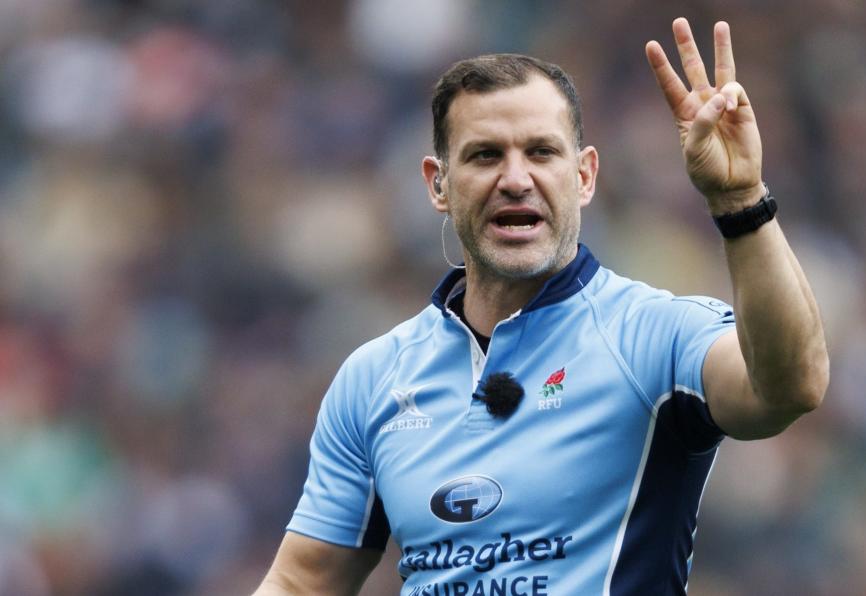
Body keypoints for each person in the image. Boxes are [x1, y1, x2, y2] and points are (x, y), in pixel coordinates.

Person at [253, 17, 829, 596]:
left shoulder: (653, 337)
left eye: (541, 152)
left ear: (583, 176)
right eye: (484, 155)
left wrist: (740, 200)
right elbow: (302, 583)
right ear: (438, 185)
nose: (516, 178)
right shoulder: (373, 379)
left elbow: (789, 386)